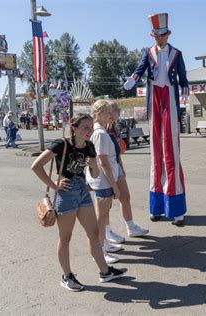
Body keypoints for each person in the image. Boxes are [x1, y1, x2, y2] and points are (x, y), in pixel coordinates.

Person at [31, 112, 126, 292]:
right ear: (74, 128)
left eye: (91, 127)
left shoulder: (89, 146)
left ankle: (105, 272)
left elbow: (96, 175)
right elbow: (36, 166)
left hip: (82, 190)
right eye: (85, 127)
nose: (89, 131)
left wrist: (94, 166)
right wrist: (54, 184)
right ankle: (67, 276)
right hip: (66, 193)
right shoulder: (62, 144)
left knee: (94, 232)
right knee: (66, 237)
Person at [123, 12, 189, 227]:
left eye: (162, 36)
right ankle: (157, 207)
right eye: (156, 36)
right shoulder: (148, 52)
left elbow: (182, 76)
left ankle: (176, 209)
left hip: (169, 96)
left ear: (167, 35)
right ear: (154, 36)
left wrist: (186, 88)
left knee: (171, 152)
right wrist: (133, 79)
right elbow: (140, 68)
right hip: (154, 98)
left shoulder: (177, 54)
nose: (159, 39)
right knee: (156, 154)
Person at [104, 101, 149, 245]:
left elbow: (118, 152)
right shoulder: (101, 130)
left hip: (116, 167)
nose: (117, 114)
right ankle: (107, 230)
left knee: (125, 196)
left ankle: (131, 226)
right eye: (115, 111)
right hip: (106, 170)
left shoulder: (112, 128)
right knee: (106, 203)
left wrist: (121, 167)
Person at [85, 100, 124, 264]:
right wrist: (115, 186)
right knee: (101, 218)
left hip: (103, 180)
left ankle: (104, 245)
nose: (111, 116)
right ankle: (100, 251)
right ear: (99, 113)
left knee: (103, 215)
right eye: (108, 112)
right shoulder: (100, 133)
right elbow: (103, 162)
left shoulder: (100, 131)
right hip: (103, 181)